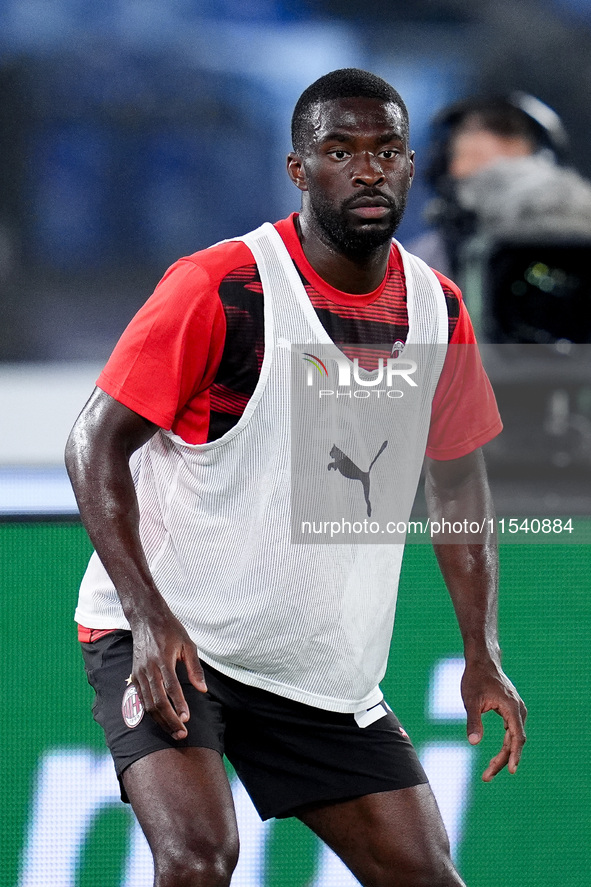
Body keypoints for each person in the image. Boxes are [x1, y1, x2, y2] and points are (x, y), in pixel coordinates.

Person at [66, 68, 526, 887]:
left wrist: (480, 652)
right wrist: (146, 618)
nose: (366, 169)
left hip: (317, 672)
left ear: (411, 165)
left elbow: (457, 487)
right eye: (339, 150)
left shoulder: (438, 311)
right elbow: (91, 446)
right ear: (298, 169)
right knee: (200, 861)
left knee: (425, 876)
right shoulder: (223, 286)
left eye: (385, 150)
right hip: (178, 638)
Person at [410, 92, 591, 282]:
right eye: (467, 134)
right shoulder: (420, 264)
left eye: (505, 130)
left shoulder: (579, 232)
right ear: (448, 167)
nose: (481, 138)